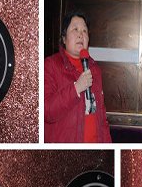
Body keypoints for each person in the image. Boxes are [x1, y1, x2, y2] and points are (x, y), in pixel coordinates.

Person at [44, 10, 111, 143]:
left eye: (84, 31)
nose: (81, 34)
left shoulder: (95, 69)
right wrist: (76, 88)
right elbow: (47, 111)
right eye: (75, 29)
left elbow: (102, 119)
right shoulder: (50, 65)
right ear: (64, 38)